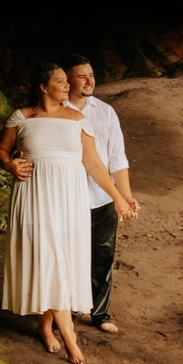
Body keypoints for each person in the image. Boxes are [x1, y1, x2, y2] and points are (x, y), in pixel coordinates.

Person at [0, 62, 137, 364]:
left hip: (69, 201)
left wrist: (118, 198)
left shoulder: (78, 119)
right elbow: (2, 150)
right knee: (50, 260)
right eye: (60, 81)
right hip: (34, 198)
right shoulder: (21, 117)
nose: (67, 86)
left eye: (65, 81)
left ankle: (46, 326)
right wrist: (9, 165)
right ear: (43, 87)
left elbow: (95, 164)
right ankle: (68, 333)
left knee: (61, 262)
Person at [63, 55, 138, 335]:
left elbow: (117, 158)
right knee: (71, 255)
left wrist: (125, 196)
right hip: (71, 197)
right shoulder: (58, 112)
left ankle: (100, 313)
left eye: (91, 75)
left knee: (103, 255)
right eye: (82, 76)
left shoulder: (105, 112)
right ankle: (67, 310)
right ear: (68, 81)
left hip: (103, 197)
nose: (89, 80)